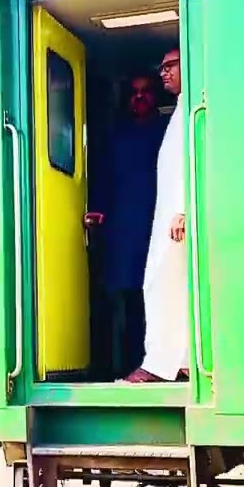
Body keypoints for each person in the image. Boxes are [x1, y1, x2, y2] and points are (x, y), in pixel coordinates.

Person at [86, 74, 168, 378]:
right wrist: (96, 210)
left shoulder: (166, 130)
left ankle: (155, 364)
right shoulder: (115, 136)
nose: (140, 98)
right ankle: (121, 366)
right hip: (122, 228)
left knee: (156, 294)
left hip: (157, 224)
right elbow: (103, 177)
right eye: (134, 93)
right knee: (121, 297)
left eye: (146, 92)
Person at [125, 48, 190, 383]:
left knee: (162, 283)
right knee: (172, 285)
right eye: (161, 67)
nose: (164, 73)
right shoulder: (182, 107)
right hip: (171, 215)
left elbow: (193, 160)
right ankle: (180, 360)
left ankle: (160, 364)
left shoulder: (193, 107)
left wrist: (183, 209)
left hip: (178, 217)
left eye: (170, 66)